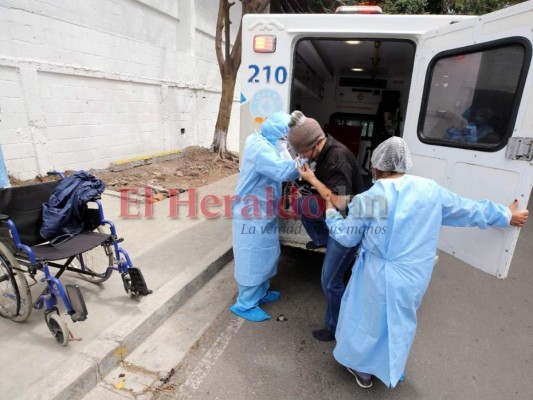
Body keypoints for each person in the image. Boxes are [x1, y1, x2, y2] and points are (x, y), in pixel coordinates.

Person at [298, 136, 528, 389]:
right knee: (399, 323)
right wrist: (506, 214)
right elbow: (468, 209)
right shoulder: (430, 190)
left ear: (376, 166)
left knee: (368, 321)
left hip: (377, 274)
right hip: (414, 274)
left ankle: (363, 372)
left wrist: (331, 213)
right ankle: (391, 367)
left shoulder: (371, 198)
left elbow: (347, 237)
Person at [288, 110, 365, 341]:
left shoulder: (336, 158)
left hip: (347, 224)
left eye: (302, 152)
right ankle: (322, 239)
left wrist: (311, 179)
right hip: (336, 216)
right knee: (303, 205)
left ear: (313, 145)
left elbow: (340, 201)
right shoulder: (325, 152)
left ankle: (336, 328)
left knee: (329, 281)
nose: (303, 156)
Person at [230, 111, 299, 322]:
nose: (285, 143)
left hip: (264, 211)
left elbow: (284, 161)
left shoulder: (264, 140)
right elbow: (284, 172)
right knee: (252, 259)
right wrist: (304, 162)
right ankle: (245, 304)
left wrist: (290, 155)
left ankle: (261, 293)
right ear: (275, 134)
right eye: (283, 138)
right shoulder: (260, 149)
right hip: (250, 215)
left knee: (267, 254)